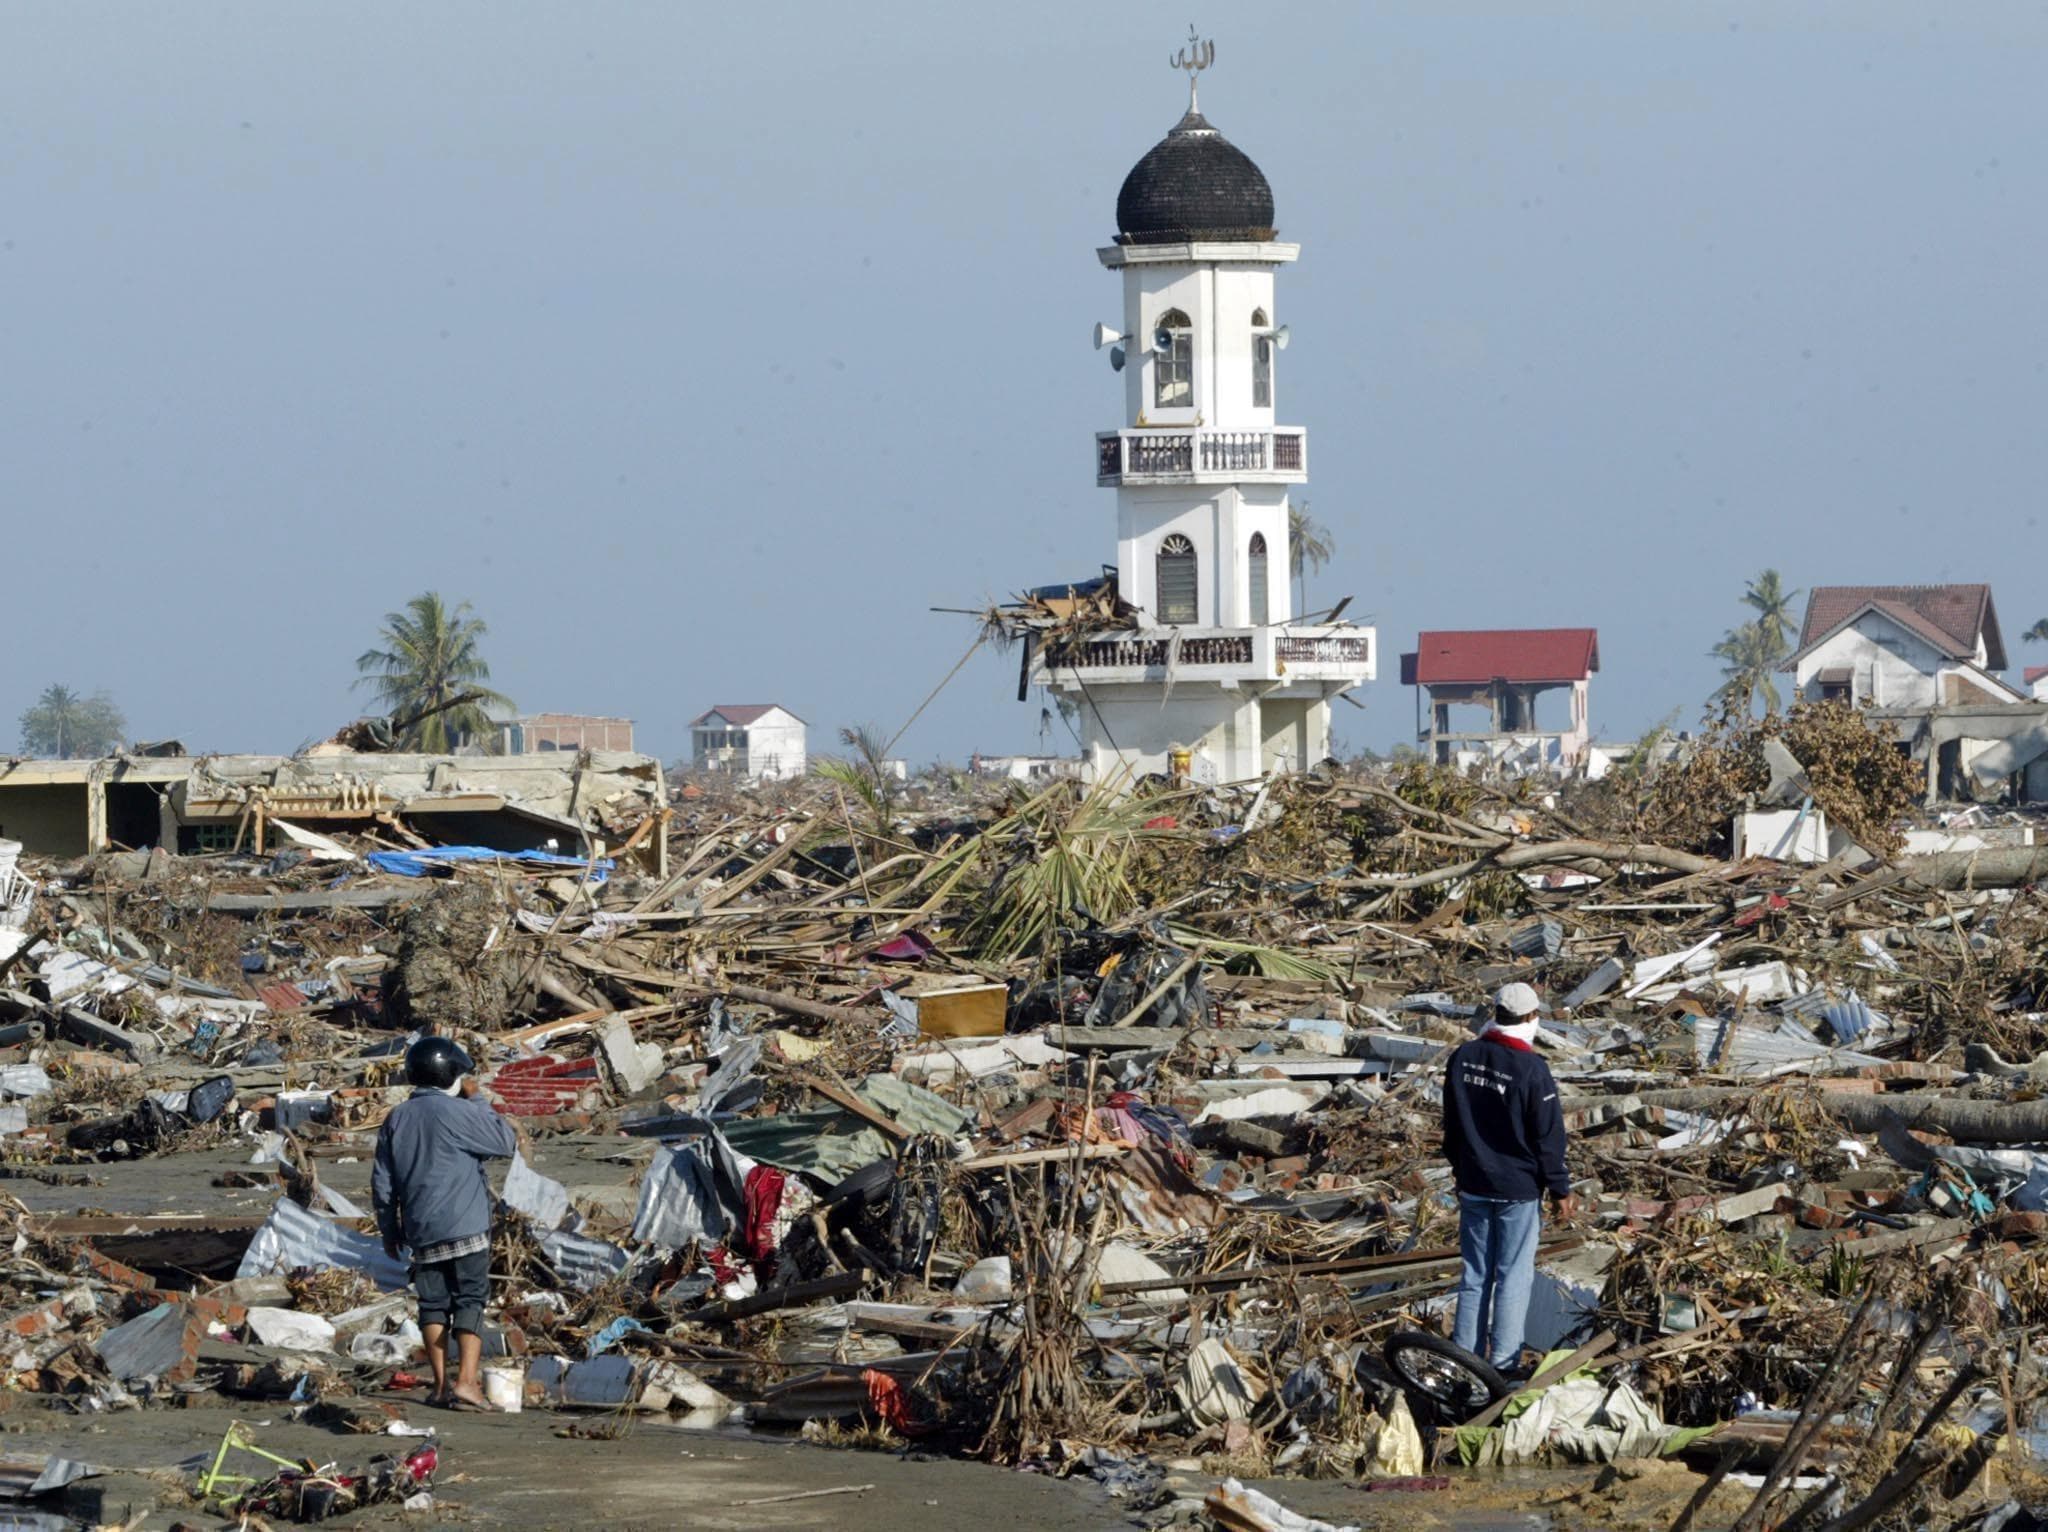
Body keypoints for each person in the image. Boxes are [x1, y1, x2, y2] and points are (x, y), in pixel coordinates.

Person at [372, 1035, 516, 1411]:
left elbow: (382, 1182)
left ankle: (439, 1387)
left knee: (433, 1304)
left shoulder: (397, 1118)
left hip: (421, 1229)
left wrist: (389, 1229)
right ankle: (467, 1382)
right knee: (470, 1299)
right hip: (465, 1226)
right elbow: (504, 1141)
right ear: (451, 1074)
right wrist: (477, 1097)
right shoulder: (460, 1111)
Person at [1441, 981, 1575, 1378]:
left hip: (1474, 1183)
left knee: (1476, 1275)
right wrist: (1560, 1188)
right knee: (1513, 1277)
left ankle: (1463, 1363)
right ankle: (1502, 1367)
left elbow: (1451, 1125)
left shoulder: (1463, 1057)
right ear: (1531, 1018)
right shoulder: (1532, 1069)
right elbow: (1549, 1136)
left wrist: (1459, 1170)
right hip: (1517, 1189)